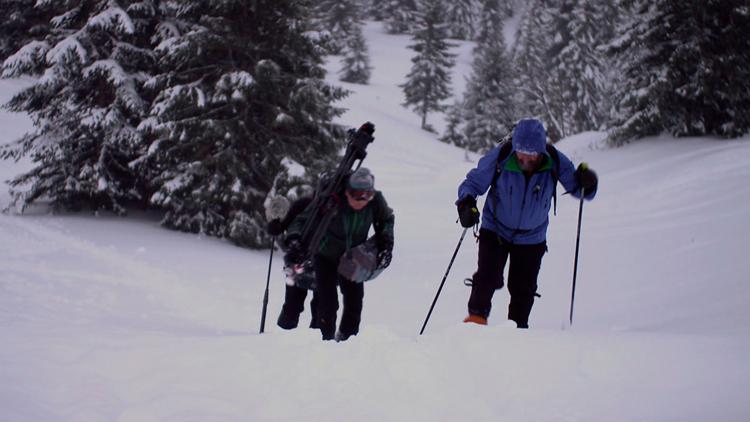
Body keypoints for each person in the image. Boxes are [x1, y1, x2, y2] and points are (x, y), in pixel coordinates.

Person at [456, 118, 598, 328]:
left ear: (541, 151)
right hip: (495, 228)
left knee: (524, 288)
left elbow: (581, 190)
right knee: (486, 277)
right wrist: (466, 203)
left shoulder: (555, 161)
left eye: (532, 153)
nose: (526, 157)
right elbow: (474, 182)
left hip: (532, 237)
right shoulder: (502, 156)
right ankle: (475, 323)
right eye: (522, 151)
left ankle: (518, 332)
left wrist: (588, 182)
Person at [283, 167, 394, 341]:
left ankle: (348, 341)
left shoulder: (375, 201)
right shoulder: (331, 201)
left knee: (354, 301)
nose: (362, 200)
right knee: (327, 302)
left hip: (353, 257)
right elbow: (302, 219)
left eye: (367, 194)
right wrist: (294, 240)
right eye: (356, 194)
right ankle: (324, 341)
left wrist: (386, 243)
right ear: (347, 192)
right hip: (325, 255)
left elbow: (387, 219)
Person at [267, 196, 319, 330]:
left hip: (303, 260)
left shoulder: (304, 203)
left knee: (296, 305)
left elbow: (284, 228)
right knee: (316, 308)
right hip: (303, 260)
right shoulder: (304, 204)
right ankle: (319, 341)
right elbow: (284, 226)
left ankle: (286, 334)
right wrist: (275, 227)